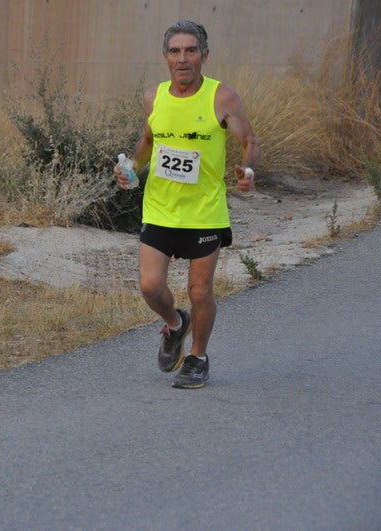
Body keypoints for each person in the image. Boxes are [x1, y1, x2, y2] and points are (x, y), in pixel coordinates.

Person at [114, 19, 260, 389]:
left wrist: (248, 170)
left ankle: (197, 358)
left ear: (204, 56)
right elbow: (149, 139)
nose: (183, 58)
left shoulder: (221, 97)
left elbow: (249, 141)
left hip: (204, 212)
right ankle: (176, 325)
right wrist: (132, 166)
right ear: (165, 57)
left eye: (191, 51)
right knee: (150, 287)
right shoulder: (154, 97)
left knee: (200, 292)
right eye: (175, 51)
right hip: (160, 208)